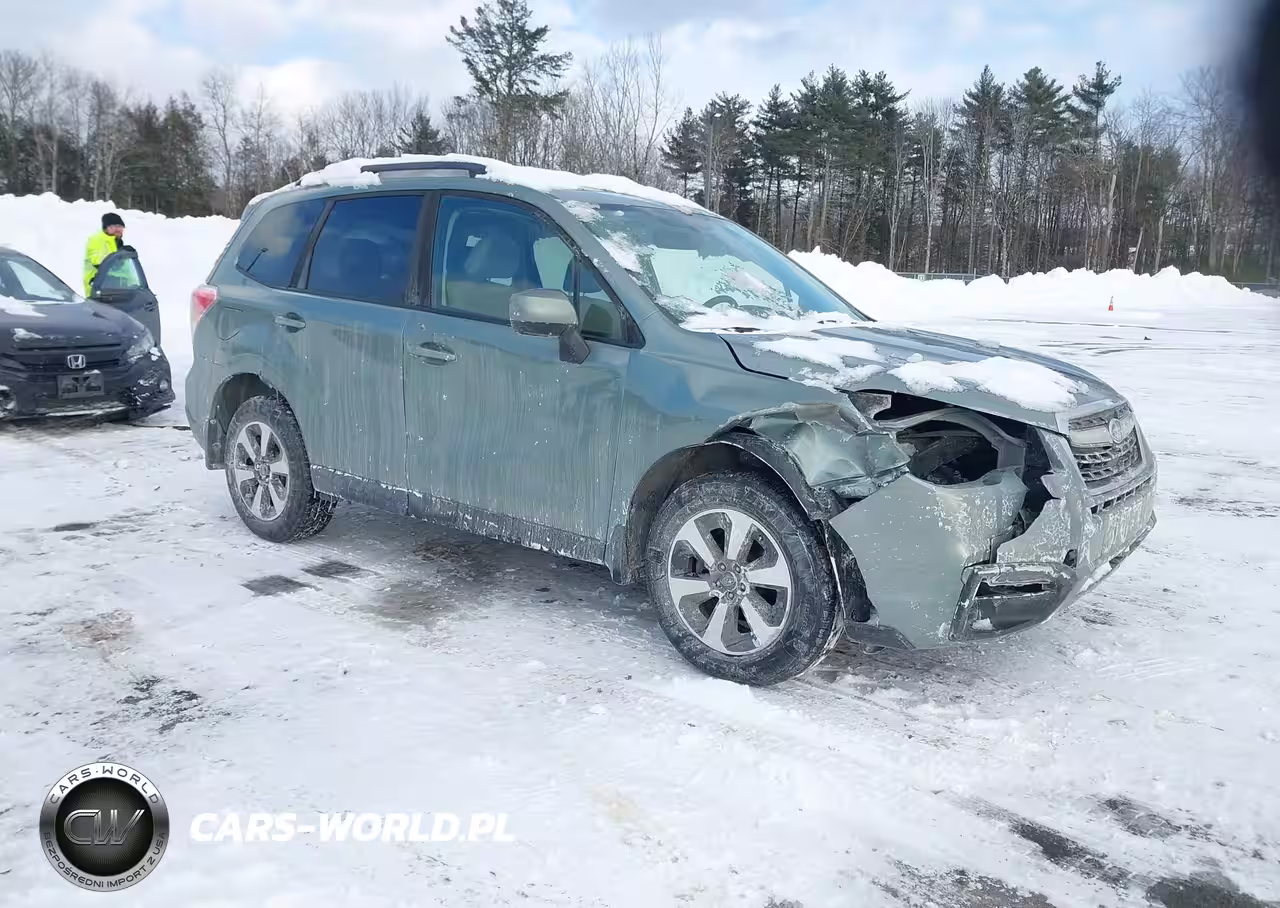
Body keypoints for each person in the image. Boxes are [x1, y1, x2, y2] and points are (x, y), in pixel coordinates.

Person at [83, 212, 132, 296]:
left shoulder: (117, 243)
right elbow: (97, 261)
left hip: (118, 288)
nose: (119, 229)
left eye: (121, 227)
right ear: (106, 227)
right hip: (100, 289)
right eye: (115, 226)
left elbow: (127, 271)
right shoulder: (97, 239)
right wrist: (118, 261)